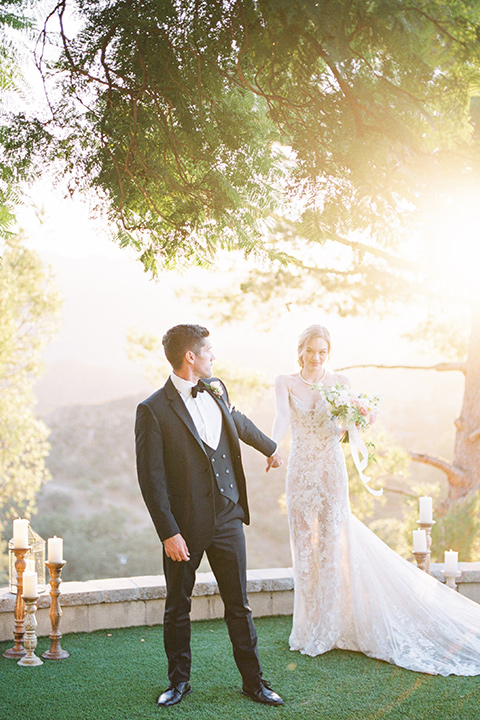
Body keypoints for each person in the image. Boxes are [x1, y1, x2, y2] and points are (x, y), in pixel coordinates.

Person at [270, 323, 480, 675]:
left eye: (323, 352)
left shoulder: (341, 384)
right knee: (305, 548)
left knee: (332, 545)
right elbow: (281, 418)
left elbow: (348, 431)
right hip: (300, 470)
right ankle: (307, 627)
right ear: (301, 350)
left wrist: (352, 422)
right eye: (312, 351)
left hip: (331, 470)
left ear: (328, 352)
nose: (318, 357)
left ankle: (331, 627)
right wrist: (273, 448)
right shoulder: (285, 381)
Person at [135, 324, 284, 707]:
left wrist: (270, 448)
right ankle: (179, 682)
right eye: (208, 351)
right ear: (190, 356)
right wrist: (169, 532)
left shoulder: (217, 387)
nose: (213, 357)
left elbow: (237, 420)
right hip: (184, 525)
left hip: (228, 516)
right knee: (177, 605)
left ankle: (254, 682)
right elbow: (151, 481)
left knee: (239, 604)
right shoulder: (152, 410)